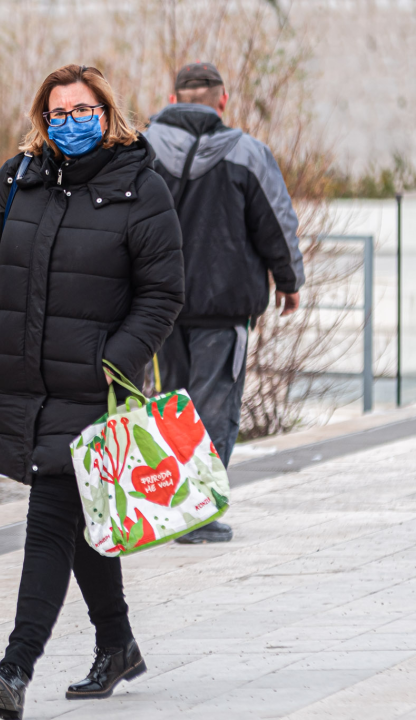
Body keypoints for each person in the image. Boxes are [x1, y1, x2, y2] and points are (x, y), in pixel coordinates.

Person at [0, 64, 184, 719]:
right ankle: (116, 645)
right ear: (42, 117)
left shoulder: (140, 188)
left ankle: (13, 668)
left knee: (49, 520)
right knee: (80, 516)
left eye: (82, 110)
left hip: (93, 388)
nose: (69, 123)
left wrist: (111, 361)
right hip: (22, 381)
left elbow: (162, 292)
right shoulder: (17, 177)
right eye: (57, 113)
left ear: (107, 113)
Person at [143, 62, 304, 544]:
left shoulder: (139, 150)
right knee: (213, 407)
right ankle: (197, 516)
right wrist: (288, 280)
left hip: (158, 306)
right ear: (223, 101)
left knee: (171, 404)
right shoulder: (247, 153)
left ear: (173, 101)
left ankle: (173, 508)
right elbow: (276, 221)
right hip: (224, 305)